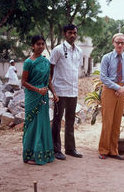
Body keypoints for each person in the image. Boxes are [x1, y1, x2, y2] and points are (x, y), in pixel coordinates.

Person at [21, 35, 59, 165]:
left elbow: (48, 80)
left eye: (43, 44)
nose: (41, 46)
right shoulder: (28, 62)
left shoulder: (45, 61)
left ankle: (43, 154)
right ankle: (30, 155)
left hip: (43, 97)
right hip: (32, 97)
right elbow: (24, 82)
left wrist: (54, 92)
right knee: (32, 125)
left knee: (42, 124)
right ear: (32, 46)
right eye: (38, 44)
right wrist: (37, 90)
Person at [98, 33, 124, 160]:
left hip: (122, 90)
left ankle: (114, 151)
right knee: (107, 121)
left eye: (122, 43)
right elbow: (103, 77)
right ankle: (103, 150)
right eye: (117, 42)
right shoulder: (106, 58)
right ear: (113, 43)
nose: (120, 45)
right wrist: (117, 87)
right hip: (109, 89)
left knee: (117, 121)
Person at [50, 24, 83, 160]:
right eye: (70, 33)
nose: (73, 35)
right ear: (64, 34)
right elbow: (50, 70)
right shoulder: (57, 50)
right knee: (57, 120)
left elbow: (75, 70)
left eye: (74, 33)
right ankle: (55, 149)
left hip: (73, 91)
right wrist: (53, 91)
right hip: (60, 91)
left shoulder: (79, 51)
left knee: (70, 120)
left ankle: (70, 148)